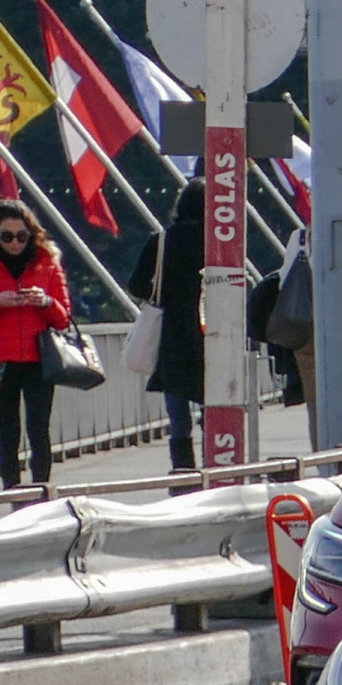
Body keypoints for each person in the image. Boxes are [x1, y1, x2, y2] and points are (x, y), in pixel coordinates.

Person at [0, 200, 72, 489]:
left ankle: (42, 490)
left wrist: (44, 301)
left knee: (39, 429)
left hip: (38, 359)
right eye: (6, 236)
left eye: (21, 236)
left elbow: (64, 317)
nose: (14, 242)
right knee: (7, 432)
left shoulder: (47, 262)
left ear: (31, 235)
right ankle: (12, 495)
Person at [128, 182, 206, 471]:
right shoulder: (217, 244)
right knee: (213, 408)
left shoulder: (161, 241)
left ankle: (183, 475)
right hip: (209, 332)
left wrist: (159, 293)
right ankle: (216, 471)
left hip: (171, 333)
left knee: (178, 417)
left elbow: (136, 284)